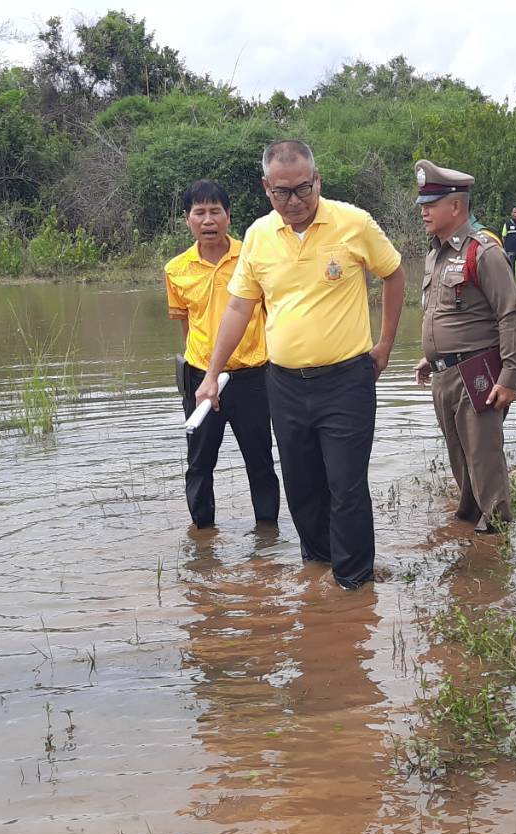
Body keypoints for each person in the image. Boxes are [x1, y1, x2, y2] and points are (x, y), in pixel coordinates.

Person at [194, 140, 405, 589]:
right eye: (282, 193)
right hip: (285, 385)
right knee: (302, 486)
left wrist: (385, 343)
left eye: (303, 190)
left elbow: (393, 273)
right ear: (266, 188)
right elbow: (238, 308)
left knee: (346, 486)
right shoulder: (258, 236)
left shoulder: (353, 223)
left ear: (317, 180)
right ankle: (319, 570)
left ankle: (353, 585)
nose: (294, 202)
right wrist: (212, 374)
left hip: (347, 379)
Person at [411, 159, 516, 533]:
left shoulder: (485, 251)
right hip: (444, 375)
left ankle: (496, 539)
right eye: (423, 205)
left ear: (456, 206)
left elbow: (509, 316)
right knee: (459, 460)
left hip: (477, 374)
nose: (424, 211)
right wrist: (431, 357)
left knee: (484, 461)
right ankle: (468, 528)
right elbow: (449, 314)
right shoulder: (435, 253)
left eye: (431, 204)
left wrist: (510, 376)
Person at [165, 179, 280, 530]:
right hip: (201, 381)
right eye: (199, 212)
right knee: (199, 463)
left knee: (260, 462)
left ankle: (267, 536)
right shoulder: (176, 269)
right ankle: (202, 538)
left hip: (252, 378)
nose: (208, 219)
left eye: (215, 211)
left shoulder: (252, 257)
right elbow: (186, 326)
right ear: (187, 220)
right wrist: (201, 371)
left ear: (229, 216)